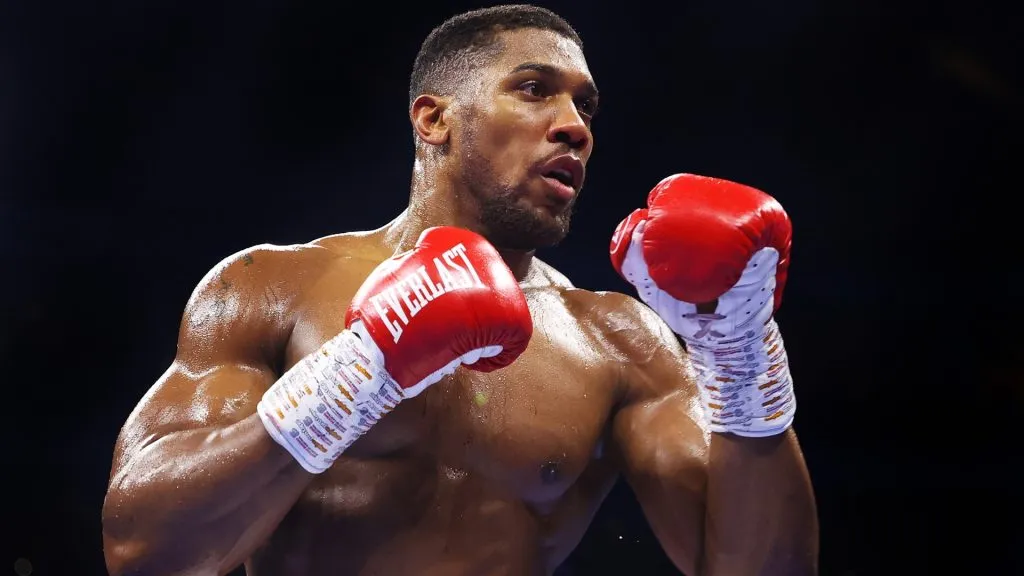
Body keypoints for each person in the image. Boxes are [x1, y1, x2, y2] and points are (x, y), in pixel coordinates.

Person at [101, 4, 818, 575]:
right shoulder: (273, 285)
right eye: (535, 90)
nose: (574, 127)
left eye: (586, 108)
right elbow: (143, 552)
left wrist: (741, 357)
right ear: (434, 118)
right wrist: (355, 374)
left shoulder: (617, 339)